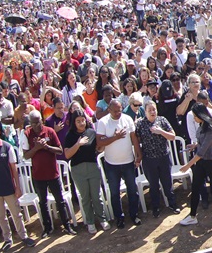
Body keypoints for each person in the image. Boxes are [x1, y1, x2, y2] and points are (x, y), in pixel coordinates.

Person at [0, 123, 36, 247]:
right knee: (1, 216)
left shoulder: (7, 147)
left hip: (9, 187)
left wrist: (17, 186)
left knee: (16, 213)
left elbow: (13, 168)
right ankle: (7, 239)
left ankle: (23, 236)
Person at [23, 111, 75, 237]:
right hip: (38, 175)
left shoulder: (50, 131)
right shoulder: (27, 134)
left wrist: (46, 147)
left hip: (53, 173)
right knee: (43, 202)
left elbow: (59, 150)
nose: (36, 125)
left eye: (38, 121)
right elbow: (25, 156)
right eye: (34, 123)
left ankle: (66, 225)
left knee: (60, 200)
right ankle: (47, 228)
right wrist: (36, 148)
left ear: (42, 119)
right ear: (30, 123)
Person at [96, 99, 141, 228]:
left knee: (132, 190)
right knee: (115, 193)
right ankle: (119, 218)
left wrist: (139, 154)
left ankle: (134, 215)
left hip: (128, 162)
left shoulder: (127, 119)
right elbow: (99, 142)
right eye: (115, 111)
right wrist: (115, 137)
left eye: (120, 110)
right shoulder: (103, 122)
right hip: (112, 164)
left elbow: (134, 138)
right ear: (109, 110)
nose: (118, 113)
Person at [62, 111, 108, 234]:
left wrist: (102, 146)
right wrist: (78, 144)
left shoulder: (91, 132)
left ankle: (102, 219)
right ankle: (90, 222)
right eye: (78, 121)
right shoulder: (70, 135)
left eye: (83, 120)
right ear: (74, 122)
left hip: (92, 167)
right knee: (85, 197)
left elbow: (98, 148)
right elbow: (67, 154)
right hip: (78, 170)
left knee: (96, 195)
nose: (81, 123)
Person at [136, 101, 179, 218]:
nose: (152, 112)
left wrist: (160, 131)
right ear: (145, 112)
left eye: (154, 109)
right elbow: (136, 140)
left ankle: (172, 204)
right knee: (153, 185)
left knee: (167, 182)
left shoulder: (162, 120)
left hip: (164, 157)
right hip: (149, 159)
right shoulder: (140, 124)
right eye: (149, 110)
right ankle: (156, 207)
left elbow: (172, 136)